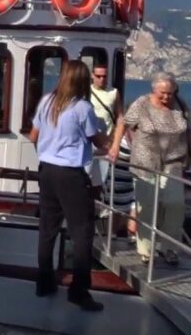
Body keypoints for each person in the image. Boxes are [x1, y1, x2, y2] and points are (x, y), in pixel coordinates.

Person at [30, 60, 110, 312]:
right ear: (84, 81)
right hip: (71, 174)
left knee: (47, 229)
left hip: (47, 171)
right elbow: (99, 142)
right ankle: (79, 290)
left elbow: (34, 136)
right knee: (82, 232)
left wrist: (49, 151)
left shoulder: (46, 102)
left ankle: (44, 282)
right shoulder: (82, 108)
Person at [109, 72, 190, 265]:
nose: (166, 97)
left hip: (173, 162)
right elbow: (124, 123)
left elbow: (190, 131)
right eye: (163, 93)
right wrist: (114, 146)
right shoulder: (142, 103)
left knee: (174, 205)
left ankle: (169, 247)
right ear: (154, 89)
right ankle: (146, 249)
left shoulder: (181, 106)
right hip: (145, 162)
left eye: (170, 93)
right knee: (148, 206)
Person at [88, 64, 132, 233]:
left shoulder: (113, 93)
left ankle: (102, 227)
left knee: (103, 185)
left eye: (104, 76)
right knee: (88, 184)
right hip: (89, 144)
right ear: (92, 76)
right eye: (98, 76)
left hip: (106, 146)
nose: (102, 79)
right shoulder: (86, 93)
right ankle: (89, 222)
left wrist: (115, 143)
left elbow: (120, 117)